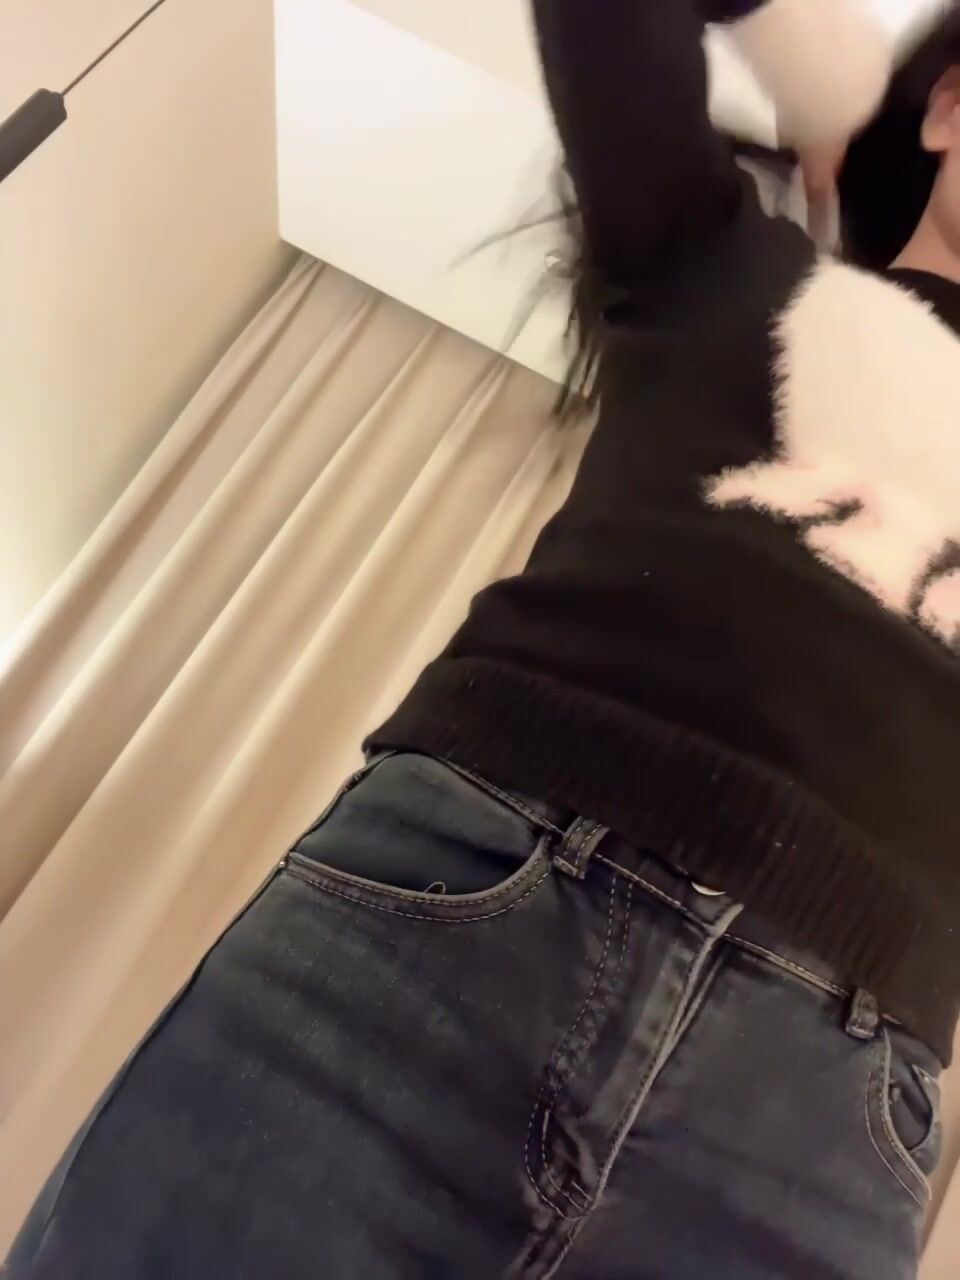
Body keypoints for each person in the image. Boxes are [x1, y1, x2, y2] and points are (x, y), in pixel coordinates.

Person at [8, 3, 960, 1278]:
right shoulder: (737, 266)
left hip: (824, 1110)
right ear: (950, 106)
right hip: (447, 923)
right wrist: (800, 41)